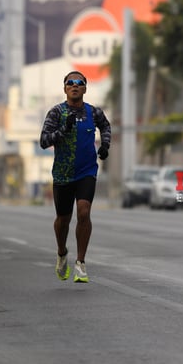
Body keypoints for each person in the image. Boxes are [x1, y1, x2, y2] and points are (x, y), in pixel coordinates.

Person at [39, 71, 111, 283]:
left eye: (80, 83)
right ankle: (62, 253)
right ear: (65, 88)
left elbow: (105, 126)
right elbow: (43, 141)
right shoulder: (56, 113)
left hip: (87, 171)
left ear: (85, 88)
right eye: (71, 82)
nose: (75, 85)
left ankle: (81, 263)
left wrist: (105, 145)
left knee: (84, 211)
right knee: (63, 219)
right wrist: (64, 129)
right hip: (63, 173)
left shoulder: (93, 112)